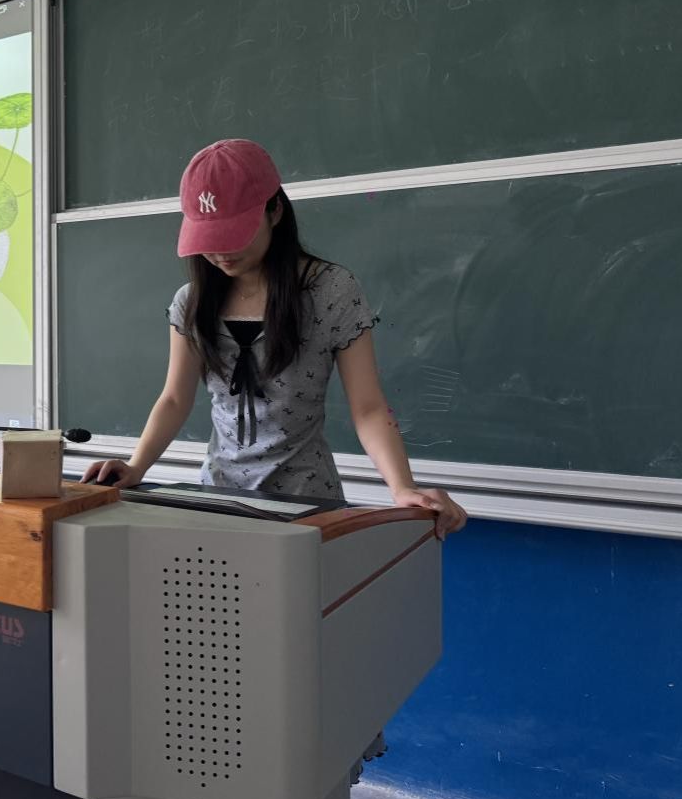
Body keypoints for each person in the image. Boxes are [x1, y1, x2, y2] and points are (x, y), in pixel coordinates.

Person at [82, 139, 466, 539]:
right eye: (209, 238)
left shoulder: (331, 291)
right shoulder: (192, 302)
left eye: (234, 234)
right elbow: (174, 399)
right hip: (217, 500)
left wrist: (401, 487)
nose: (221, 252)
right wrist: (137, 466)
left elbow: (368, 407)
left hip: (308, 505)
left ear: (275, 210)